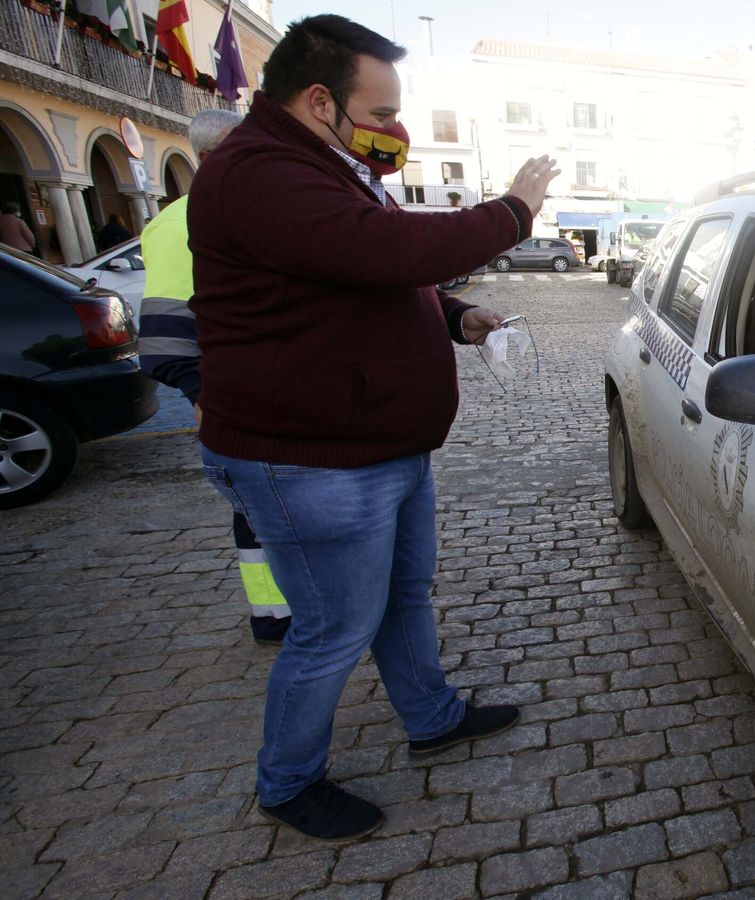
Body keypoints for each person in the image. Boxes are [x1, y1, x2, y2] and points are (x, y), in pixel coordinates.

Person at [187, 14, 560, 841]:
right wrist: (513, 212)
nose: (395, 131)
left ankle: (430, 716)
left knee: (402, 596)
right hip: (311, 463)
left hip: (379, 447)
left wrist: (455, 316)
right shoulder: (259, 172)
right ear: (320, 100)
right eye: (383, 112)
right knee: (331, 630)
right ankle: (287, 783)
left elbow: (371, 282)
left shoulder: (326, 166)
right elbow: (385, 253)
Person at [139, 109, 293, 645]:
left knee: (262, 511)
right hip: (233, 397)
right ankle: (279, 614)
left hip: (257, 391)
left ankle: (275, 611)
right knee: (261, 507)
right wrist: (203, 393)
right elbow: (164, 330)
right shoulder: (186, 218)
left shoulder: (243, 208)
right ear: (208, 158)